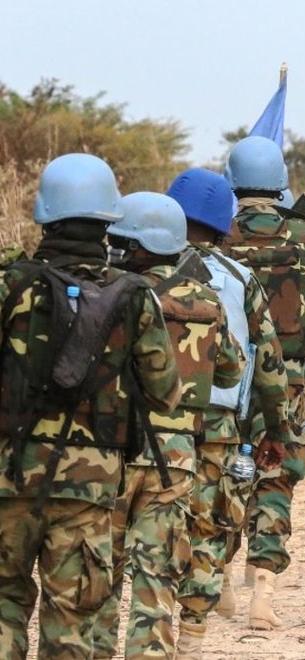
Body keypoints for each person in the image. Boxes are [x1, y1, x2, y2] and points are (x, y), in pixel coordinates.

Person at [0, 154, 181, 659]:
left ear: (44, 214)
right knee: (73, 619)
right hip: (91, 488)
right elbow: (165, 392)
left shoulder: (11, 285)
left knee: (3, 604)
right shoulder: (132, 296)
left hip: (8, 479)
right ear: (109, 220)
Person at [92, 192, 244, 659]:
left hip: (111, 452)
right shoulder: (204, 299)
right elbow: (230, 372)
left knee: (101, 573)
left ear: (133, 243)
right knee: (156, 574)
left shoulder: (106, 291)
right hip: (174, 457)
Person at [222, 136, 305, 630]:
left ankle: (220, 584)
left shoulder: (216, 232)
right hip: (289, 381)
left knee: (224, 473)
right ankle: (263, 594)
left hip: (226, 380)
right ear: (280, 181)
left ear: (233, 181)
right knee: (275, 476)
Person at [166, 167, 289, 655]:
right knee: (208, 526)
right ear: (223, 224)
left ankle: (147, 626)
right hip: (219, 423)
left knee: (154, 523)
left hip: (156, 422)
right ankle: (191, 638)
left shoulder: (144, 270)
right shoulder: (240, 279)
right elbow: (269, 362)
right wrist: (276, 428)